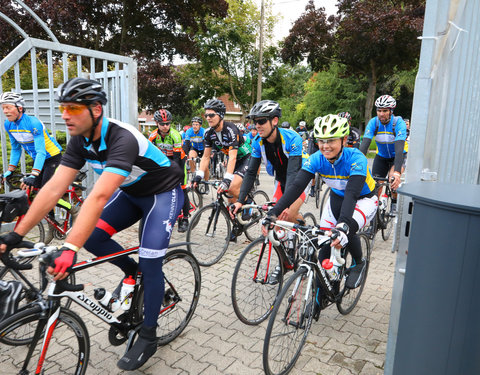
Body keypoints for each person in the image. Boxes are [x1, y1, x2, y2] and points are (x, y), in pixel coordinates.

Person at [0, 77, 184, 371]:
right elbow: (52, 189)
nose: (64, 115)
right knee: (94, 239)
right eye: (63, 108)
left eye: (73, 108)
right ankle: (133, 273)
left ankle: (148, 334)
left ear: (96, 109)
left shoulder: (121, 138)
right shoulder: (78, 140)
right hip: (132, 193)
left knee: (151, 263)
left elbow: (98, 197)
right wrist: (16, 234)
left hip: (162, 194)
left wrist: (69, 247)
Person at [263, 114, 377, 307]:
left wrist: (342, 226)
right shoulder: (317, 158)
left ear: (343, 140)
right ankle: (323, 289)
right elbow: (297, 186)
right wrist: (274, 212)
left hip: (362, 199)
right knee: (324, 243)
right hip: (336, 199)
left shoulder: (356, 158)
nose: (325, 146)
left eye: (331, 141)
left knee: (348, 228)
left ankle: (358, 262)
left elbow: (351, 194)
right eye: (321, 141)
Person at [231, 100, 306, 272]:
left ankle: (303, 229)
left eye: (262, 121)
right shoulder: (258, 141)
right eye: (255, 121)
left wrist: (283, 206)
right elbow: (250, 173)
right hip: (281, 179)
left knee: (286, 215)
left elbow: (293, 176)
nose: (257, 125)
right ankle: (284, 263)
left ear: (275, 121)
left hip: (299, 179)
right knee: (276, 224)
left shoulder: (292, 138)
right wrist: (240, 200)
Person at [0, 91, 63, 189]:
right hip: (38, 159)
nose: (5, 111)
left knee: (46, 191)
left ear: (19, 108)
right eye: (3, 108)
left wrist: (34, 174)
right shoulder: (8, 124)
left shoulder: (33, 123)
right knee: (33, 188)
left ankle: (66, 205)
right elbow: (16, 149)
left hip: (52, 157)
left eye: (8, 107)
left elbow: (41, 151)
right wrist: (10, 170)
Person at [148, 109, 191, 233]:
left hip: (178, 161)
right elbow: (150, 156)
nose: (165, 126)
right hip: (164, 161)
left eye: (168, 123)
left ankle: (185, 219)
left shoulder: (175, 135)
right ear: (156, 123)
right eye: (162, 124)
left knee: (182, 190)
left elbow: (177, 159)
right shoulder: (153, 136)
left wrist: (172, 174)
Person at [359, 95, 407, 193]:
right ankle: (376, 206)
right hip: (381, 157)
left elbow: (399, 150)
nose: (381, 114)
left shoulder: (398, 123)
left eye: (385, 111)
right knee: (375, 185)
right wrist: (356, 163)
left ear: (391, 112)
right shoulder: (373, 122)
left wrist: (397, 173)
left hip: (398, 156)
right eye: (379, 111)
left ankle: (393, 203)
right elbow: (364, 145)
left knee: (393, 180)